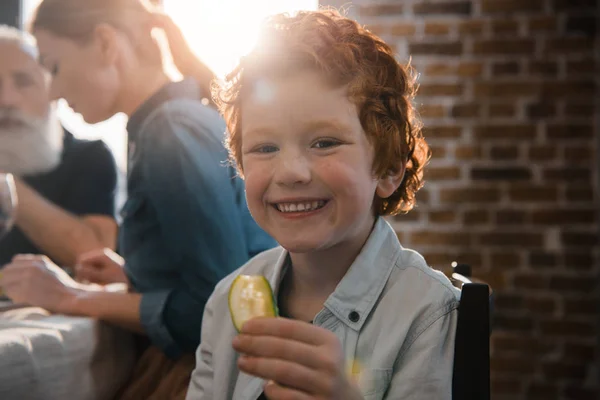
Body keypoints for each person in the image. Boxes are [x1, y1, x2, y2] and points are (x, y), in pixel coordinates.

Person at [0, 0, 275, 398]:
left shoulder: (170, 132)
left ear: (106, 43)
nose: (54, 92)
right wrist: (136, 275)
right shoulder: (164, 124)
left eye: (54, 67)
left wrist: (70, 296)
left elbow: (214, 308)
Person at [186, 10, 460, 400]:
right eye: (265, 148)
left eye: (324, 143)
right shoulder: (225, 301)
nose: (291, 172)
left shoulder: (428, 314)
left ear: (388, 170)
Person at [0, 25, 118, 267]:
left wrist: (5, 185)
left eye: (24, 82)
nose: (6, 99)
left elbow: (97, 258)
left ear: (52, 88)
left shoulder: (89, 158)